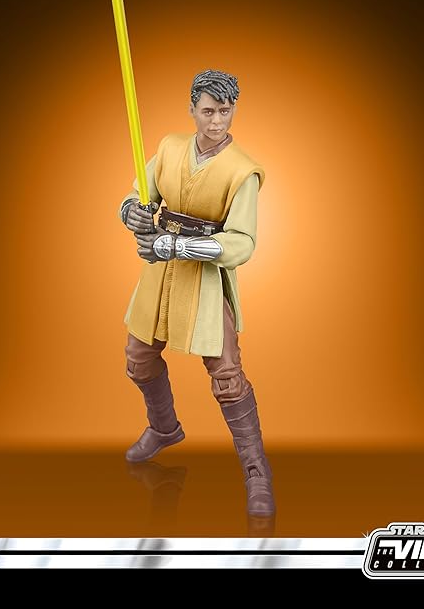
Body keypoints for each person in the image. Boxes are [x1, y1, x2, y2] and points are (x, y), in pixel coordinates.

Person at [118, 69, 275, 517]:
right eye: (208, 111)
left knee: (227, 376)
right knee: (138, 358)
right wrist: (132, 213)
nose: (216, 121)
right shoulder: (170, 148)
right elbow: (138, 194)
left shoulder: (243, 171)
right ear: (192, 110)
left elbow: (242, 243)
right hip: (160, 272)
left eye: (225, 111)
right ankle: (164, 428)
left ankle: (256, 470)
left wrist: (179, 246)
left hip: (204, 277)